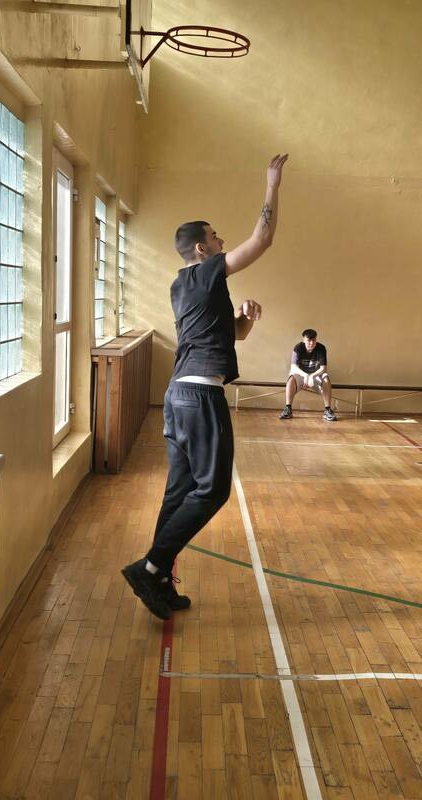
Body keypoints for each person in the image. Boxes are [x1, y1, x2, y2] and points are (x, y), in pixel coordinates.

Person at [122, 153, 289, 619]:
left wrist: (245, 319)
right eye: (216, 237)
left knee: (179, 492)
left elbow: (231, 334)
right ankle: (149, 568)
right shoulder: (206, 271)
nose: (222, 241)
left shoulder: (184, 285)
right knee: (213, 490)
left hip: (179, 396)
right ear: (201, 248)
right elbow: (263, 238)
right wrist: (272, 184)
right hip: (198, 396)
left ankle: (158, 580)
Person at [279, 329, 337, 421]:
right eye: (308, 340)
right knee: (291, 378)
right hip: (301, 375)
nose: (311, 343)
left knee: (326, 378)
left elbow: (323, 368)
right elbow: (294, 367)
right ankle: (288, 409)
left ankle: (327, 410)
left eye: (313, 340)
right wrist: (306, 376)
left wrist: (312, 376)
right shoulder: (298, 348)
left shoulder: (321, 348)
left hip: (316, 375)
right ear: (304, 340)